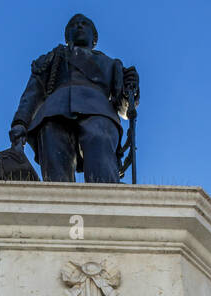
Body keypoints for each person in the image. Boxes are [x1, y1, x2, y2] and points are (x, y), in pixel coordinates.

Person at [10, 15, 139, 183]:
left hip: (99, 113)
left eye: (84, 24)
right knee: (57, 179)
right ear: (66, 36)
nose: (79, 26)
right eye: (74, 25)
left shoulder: (112, 64)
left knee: (103, 176)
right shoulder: (52, 58)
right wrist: (20, 123)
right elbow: (33, 93)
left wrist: (131, 90)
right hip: (53, 113)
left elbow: (124, 109)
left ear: (94, 38)